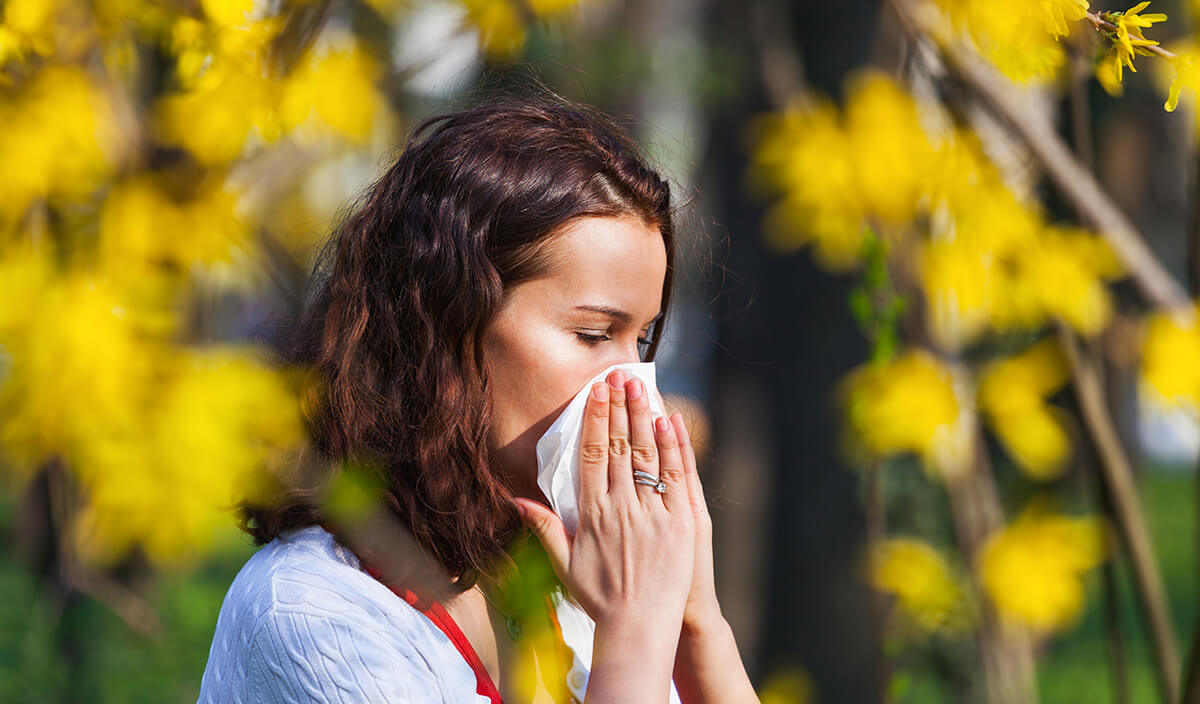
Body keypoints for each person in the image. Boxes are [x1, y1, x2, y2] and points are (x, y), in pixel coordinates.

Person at [196, 90, 758, 703]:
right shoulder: (313, 613)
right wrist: (635, 629)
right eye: (594, 334)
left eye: (642, 339)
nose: (634, 388)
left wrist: (695, 622)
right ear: (448, 323)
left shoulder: (567, 584)